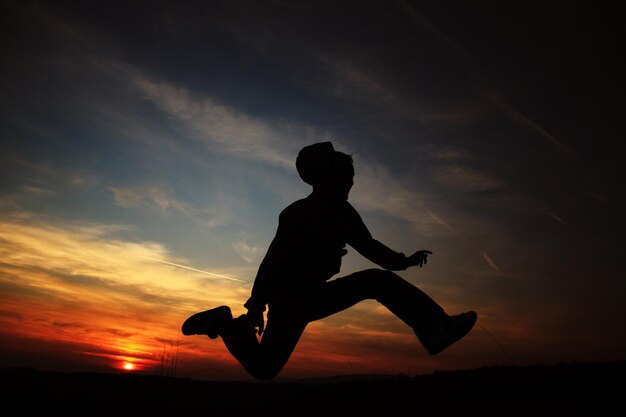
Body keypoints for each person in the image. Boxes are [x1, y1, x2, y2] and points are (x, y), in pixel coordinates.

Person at [182, 141, 477, 380]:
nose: (351, 182)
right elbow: (274, 260)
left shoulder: (344, 213)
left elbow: (370, 246)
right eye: (346, 176)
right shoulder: (298, 213)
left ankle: (435, 327)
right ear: (325, 177)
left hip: (313, 294)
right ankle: (226, 325)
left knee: (265, 369)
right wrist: (257, 305)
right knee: (264, 369)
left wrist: (405, 261)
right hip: (290, 299)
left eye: (351, 176)